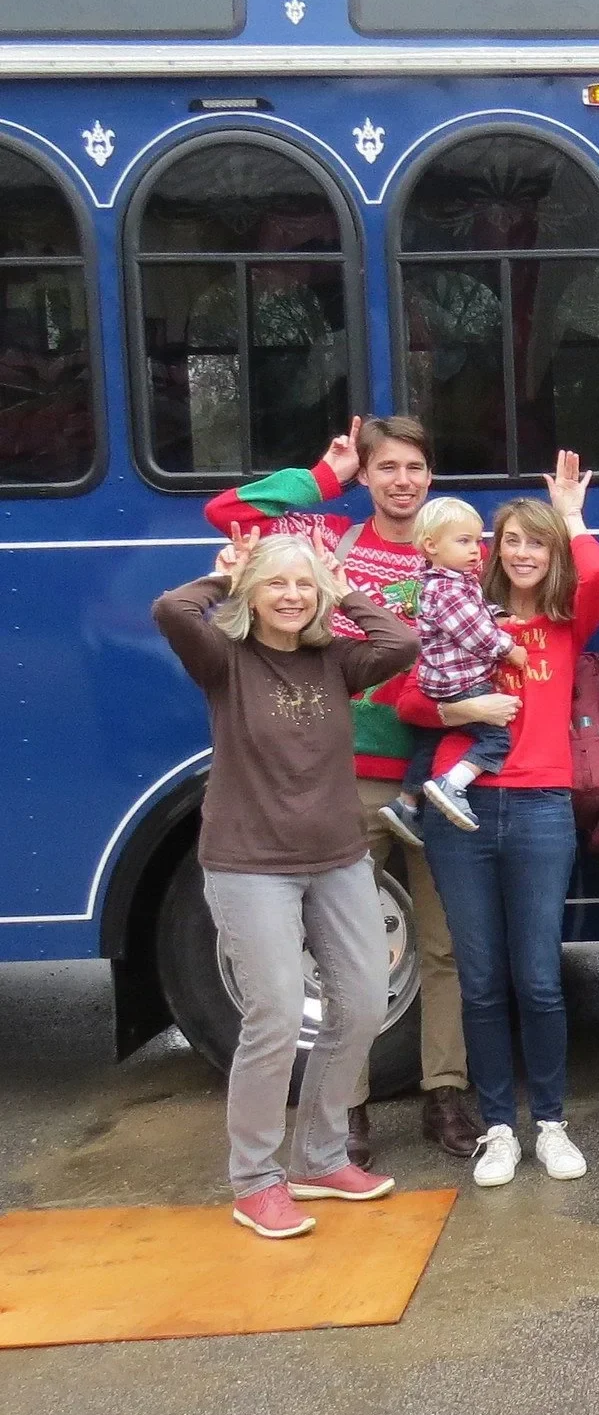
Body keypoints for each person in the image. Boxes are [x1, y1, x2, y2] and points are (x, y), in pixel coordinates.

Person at [204, 413, 481, 1166]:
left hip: (435, 778)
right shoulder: (328, 543)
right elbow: (228, 514)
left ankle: (446, 1094)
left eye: (414, 468)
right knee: (345, 963)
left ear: (431, 477)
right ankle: (347, 1113)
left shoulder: (461, 550)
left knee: (443, 948)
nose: (402, 481)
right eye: (385, 467)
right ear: (370, 476)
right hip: (348, 783)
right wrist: (326, 476)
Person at [153, 527, 418, 1238]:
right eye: (277, 584)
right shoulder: (224, 659)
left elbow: (400, 646)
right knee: (273, 1017)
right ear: (254, 595)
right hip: (248, 863)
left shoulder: (336, 659)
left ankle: (322, 1159)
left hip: (336, 859)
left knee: (362, 1003)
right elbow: (172, 610)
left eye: (304, 584)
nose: (292, 596)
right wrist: (226, 576)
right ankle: (256, 1179)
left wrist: (346, 586)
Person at [395, 455, 599, 1189]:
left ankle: (549, 1122)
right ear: (491, 549)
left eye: (536, 542)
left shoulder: (563, 624)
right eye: (510, 540)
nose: (522, 553)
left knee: (540, 979)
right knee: (481, 982)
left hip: (541, 810)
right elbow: (409, 703)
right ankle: (498, 1129)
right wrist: (467, 710)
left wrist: (574, 517)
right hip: (460, 811)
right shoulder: (464, 616)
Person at [379, 496, 524, 843]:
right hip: (462, 683)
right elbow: (474, 632)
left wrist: (497, 613)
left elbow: (475, 608)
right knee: (497, 737)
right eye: (464, 541)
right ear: (431, 545)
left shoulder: (450, 581)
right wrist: (510, 649)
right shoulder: (447, 588)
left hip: (437, 681)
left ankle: (406, 802)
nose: (476, 550)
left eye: (478, 541)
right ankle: (452, 784)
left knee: (429, 741)